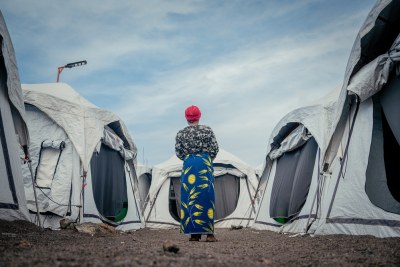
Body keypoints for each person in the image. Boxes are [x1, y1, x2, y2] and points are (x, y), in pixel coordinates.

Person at [175, 105, 219, 242]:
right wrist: (205, 158)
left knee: (190, 196)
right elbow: (215, 149)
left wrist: (190, 158)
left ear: (186, 118)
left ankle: (194, 234)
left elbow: (179, 153)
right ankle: (209, 234)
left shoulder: (180, 134)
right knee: (206, 196)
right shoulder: (207, 130)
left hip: (189, 165)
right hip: (204, 164)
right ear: (199, 116)